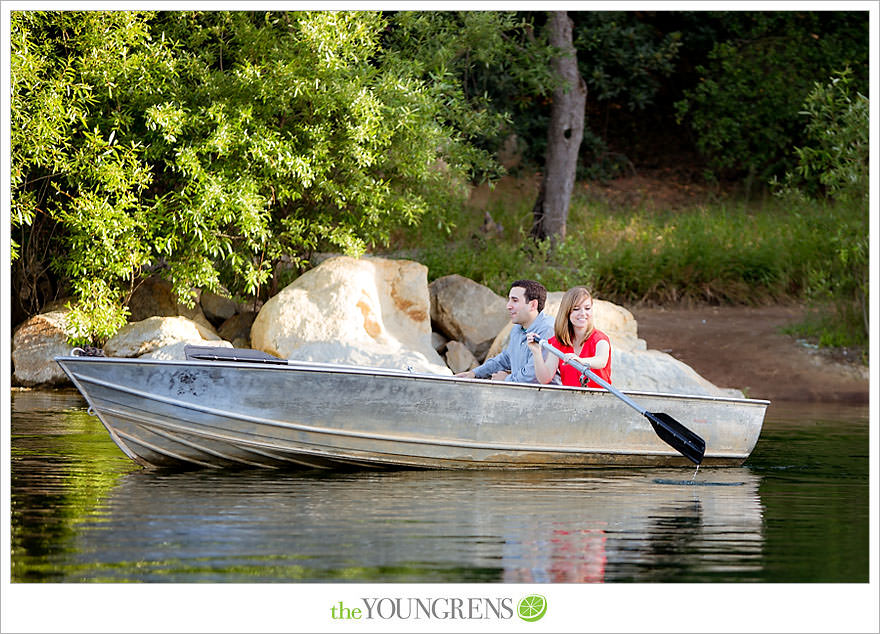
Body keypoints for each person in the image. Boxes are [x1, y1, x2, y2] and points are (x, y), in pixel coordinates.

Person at [455, 280, 560, 385]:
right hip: (523, 395)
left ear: (533, 305)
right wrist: (474, 373)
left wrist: (506, 379)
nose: (508, 306)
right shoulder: (518, 328)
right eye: (509, 300)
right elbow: (506, 358)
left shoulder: (548, 330)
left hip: (548, 397)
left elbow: (533, 377)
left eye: (515, 300)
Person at [526, 286, 611, 388]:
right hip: (571, 400)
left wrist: (581, 361)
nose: (583, 313)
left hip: (599, 400)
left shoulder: (600, 339)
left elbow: (601, 361)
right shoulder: (558, 342)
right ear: (567, 312)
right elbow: (545, 378)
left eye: (587, 308)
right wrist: (536, 352)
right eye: (576, 309)